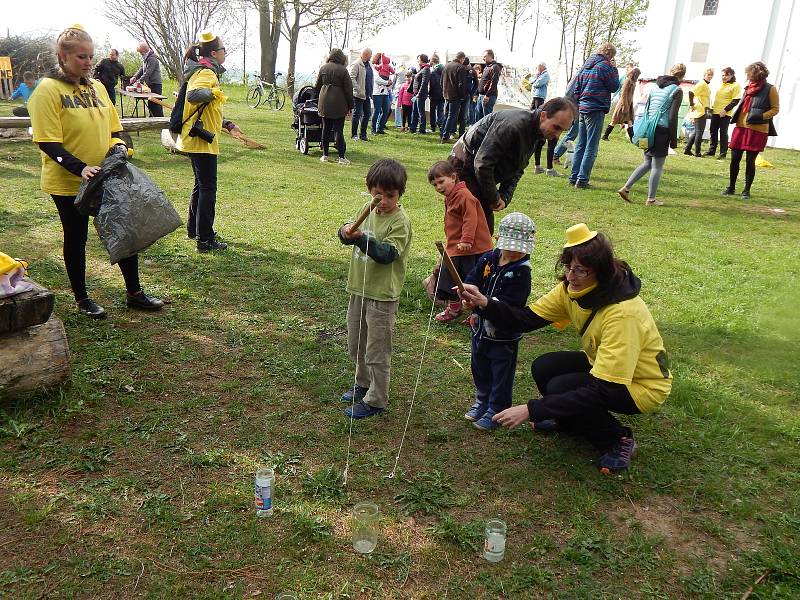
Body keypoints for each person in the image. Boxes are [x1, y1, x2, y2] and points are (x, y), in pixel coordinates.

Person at [458, 223, 672, 473]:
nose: (571, 276)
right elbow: (526, 320)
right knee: (545, 367)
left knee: (561, 387)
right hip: (601, 364)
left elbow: (602, 390)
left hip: (640, 384)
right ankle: (569, 420)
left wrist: (531, 410)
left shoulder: (623, 315)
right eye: (569, 267)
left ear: (601, 272)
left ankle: (617, 439)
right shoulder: (571, 290)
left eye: (581, 270)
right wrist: (485, 303)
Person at [28, 24, 163, 318]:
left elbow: (115, 128)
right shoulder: (47, 90)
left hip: (107, 175)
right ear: (63, 56)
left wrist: (118, 146)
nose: (88, 63)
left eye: (90, 57)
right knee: (76, 238)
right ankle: (82, 298)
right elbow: (47, 141)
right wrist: (80, 168)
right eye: (81, 57)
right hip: (68, 181)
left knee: (124, 228)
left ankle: (134, 293)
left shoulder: (98, 86)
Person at [338, 159, 413, 419]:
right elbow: (349, 232)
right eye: (378, 195)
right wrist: (344, 232)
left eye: (390, 196)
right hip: (359, 289)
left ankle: (376, 398)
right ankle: (363, 382)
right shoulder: (366, 209)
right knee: (356, 342)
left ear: (399, 193)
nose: (383, 201)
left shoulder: (400, 222)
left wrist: (360, 241)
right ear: (370, 190)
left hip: (382, 295)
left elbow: (386, 254)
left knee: (377, 349)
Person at [449, 97, 577, 233]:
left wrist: (504, 196)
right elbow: (483, 163)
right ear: (543, 116)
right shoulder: (513, 125)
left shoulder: (537, 132)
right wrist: (493, 198)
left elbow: (518, 168)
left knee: (483, 231)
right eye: (556, 127)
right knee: (472, 230)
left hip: (478, 170)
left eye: (562, 131)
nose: (557, 135)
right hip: (463, 166)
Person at [463, 212, 534, 431]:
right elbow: (473, 279)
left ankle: (497, 408)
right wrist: (468, 292)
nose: (512, 252)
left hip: (503, 335)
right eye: (508, 246)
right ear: (499, 240)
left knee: (501, 372)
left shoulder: (521, 273)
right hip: (479, 330)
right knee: (479, 366)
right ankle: (482, 400)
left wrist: (484, 302)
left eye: (518, 248)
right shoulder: (489, 258)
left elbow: (511, 305)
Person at [177, 31, 241, 252]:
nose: (225, 52)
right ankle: (205, 239)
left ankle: (194, 229)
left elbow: (208, 110)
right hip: (201, 141)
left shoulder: (202, 70)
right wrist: (213, 92)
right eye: (223, 49)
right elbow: (194, 96)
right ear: (214, 53)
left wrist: (228, 124)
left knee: (200, 186)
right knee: (207, 189)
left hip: (198, 139)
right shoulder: (206, 72)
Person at [427, 160, 493, 323]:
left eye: (441, 182)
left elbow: (471, 219)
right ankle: (455, 308)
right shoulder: (451, 196)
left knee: (473, 281)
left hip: (472, 248)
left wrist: (467, 239)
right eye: (435, 185)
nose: (439, 187)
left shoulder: (464, 196)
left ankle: (477, 314)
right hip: (457, 246)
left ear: (453, 177)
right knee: (449, 277)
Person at [617, 63, 685, 207]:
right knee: (657, 166)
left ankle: (626, 188)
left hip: (648, 130)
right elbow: (672, 117)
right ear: (682, 76)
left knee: (647, 162)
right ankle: (651, 199)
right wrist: (673, 140)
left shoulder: (654, 87)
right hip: (661, 131)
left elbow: (648, 108)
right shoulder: (677, 90)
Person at [722, 61, 779, 200]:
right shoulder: (747, 88)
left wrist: (761, 116)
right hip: (740, 128)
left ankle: (746, 190)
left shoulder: (770, 89)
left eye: (749, 73)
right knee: (734, 159)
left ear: (756, 74)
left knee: (750, 161)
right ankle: (731, 187)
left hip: (757, 130)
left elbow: (775, 109)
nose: (747, 76)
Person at [569, 43, 619, 188]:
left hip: (582, 108)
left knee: (580, 144)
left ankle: (574, 177)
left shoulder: (586, 65)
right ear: (609, 55)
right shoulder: (605, 66)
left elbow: (576, 89)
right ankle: (582, 179)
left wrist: (580, 103)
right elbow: (614, 86)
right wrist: (614, 68)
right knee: (591, 146)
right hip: (596, 108)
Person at [315, 48, 354, 164]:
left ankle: (325, 155)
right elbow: (348, 90)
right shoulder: (343, 70)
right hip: (339, 103)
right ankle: (341, 157)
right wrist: (350, 105)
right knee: (338, 130)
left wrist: (318, 98)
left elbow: (317, 86)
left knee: (325, 129)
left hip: (324, 102)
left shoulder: (323, 68)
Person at [706, 67, 741, 159]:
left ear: (731, 75)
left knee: (723, 132)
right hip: (715, 111)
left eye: (726, 75)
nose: (724, 77)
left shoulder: (735, 85)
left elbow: (736, 100)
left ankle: (723, 153)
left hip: (725, 113)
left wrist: (725, 110)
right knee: (713, 130)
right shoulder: (722, 84)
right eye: (722, 75)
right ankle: (711, 150)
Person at [603, 67, 640, 141]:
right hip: (622, 105)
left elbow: (630, 95)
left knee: (629, 122)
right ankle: (605, 136)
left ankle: (632, 139)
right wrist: (625, 106)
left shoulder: (633, 82)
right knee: (614, 121)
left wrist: (629, 105)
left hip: (629, 105)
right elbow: (623, 94)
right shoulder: (627, 81)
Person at [684, 68, 713, 157]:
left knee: (697, 132)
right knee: (699, 132)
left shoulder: (705, 85)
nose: (710, 76)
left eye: (711, 75)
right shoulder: (702, 84)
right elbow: (691, 93)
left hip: (705, 110)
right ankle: (697, 152)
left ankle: (687, 150)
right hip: (701, 110)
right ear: (704, 75)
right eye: (708, 74)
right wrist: (692, 104)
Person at [129, 42, 163, 117]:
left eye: (141, 52)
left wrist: (139, 81)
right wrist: (135, 77)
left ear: (145, 50)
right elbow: (141, 69)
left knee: (156, 104)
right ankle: (152, 120)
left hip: (155, 84)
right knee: (150, 104)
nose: (140, 54)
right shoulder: (146, 58)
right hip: (150, 84)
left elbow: (148, 73)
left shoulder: (152, 59)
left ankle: (160, 121)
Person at [441, 52, 468, 143]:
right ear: (462, 58)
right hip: (455, 96)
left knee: (447, 116)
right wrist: (462, 96)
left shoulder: (447, 66)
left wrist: (444, 91)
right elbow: (461, 84)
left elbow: (441, 81)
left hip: (447, 94)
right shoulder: (461, 68)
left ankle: (443, 134)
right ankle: (445, 136)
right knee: (451, 116)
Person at [349, 48, 373, 141]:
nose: (371, 56)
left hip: (367, 94)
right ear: (366, 54)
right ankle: (354, 134)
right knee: (357, 114)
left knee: (367, 114)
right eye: (370, 55)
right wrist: (358, 89)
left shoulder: (369, 64)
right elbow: (351, 78)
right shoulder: (356, 64)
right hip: (358, 95)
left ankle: (363, 134)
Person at [370, 53, 393, 135]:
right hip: (377, 93)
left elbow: (389, 77)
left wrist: (389, 82)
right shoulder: (374, 68)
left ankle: (380, 127)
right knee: (377, 111)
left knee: (386, 110)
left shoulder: (385, 68)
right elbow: (377, 80)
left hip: (385, 92)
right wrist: (387, 82)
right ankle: (373, 129)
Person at [477, 49, 502, 119]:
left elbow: (494, 82)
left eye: (485, 56)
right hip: (481, 95)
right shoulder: (487, 67)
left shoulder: (495, 67)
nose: (483, 58)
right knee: (480, 118)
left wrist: (488, 95)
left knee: (486, 119)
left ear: (491, 56)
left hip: (488, 96)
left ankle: (487, 130)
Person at [410, 54, 431, 134]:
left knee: (420, 112)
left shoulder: (426, 69)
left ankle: (422, 129)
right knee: (415, 111)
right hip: (416, 94)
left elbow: (424, 82)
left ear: (422, 60)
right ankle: (413, 128)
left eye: (418, 59)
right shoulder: (422, 69)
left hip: (420, 94)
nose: (417, 61)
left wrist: (419, 93)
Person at [428, 54, 445, 133]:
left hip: (434, 94)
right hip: (442, 93)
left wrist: (430, 93)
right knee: (440, 111)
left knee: (432, 111)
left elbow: (432, 84)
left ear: (433, 61)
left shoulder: (433, 71)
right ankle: (441, 126)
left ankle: (433, 127)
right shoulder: (444, 70)